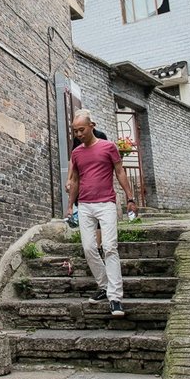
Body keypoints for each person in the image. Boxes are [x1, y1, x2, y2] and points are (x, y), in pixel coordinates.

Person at [66, 109, 138, 318]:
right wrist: (70, 206)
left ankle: (115, 297)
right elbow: (75, 180)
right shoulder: (76, 153)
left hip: (106, 203)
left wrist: (130, 198)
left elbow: (120, 172)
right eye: (75, 131)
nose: (79, 134)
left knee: (109, 247)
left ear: (92, 126)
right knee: (89, 248)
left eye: (81, 129)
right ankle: (104, 285)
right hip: (85, 205)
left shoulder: (108, 147)